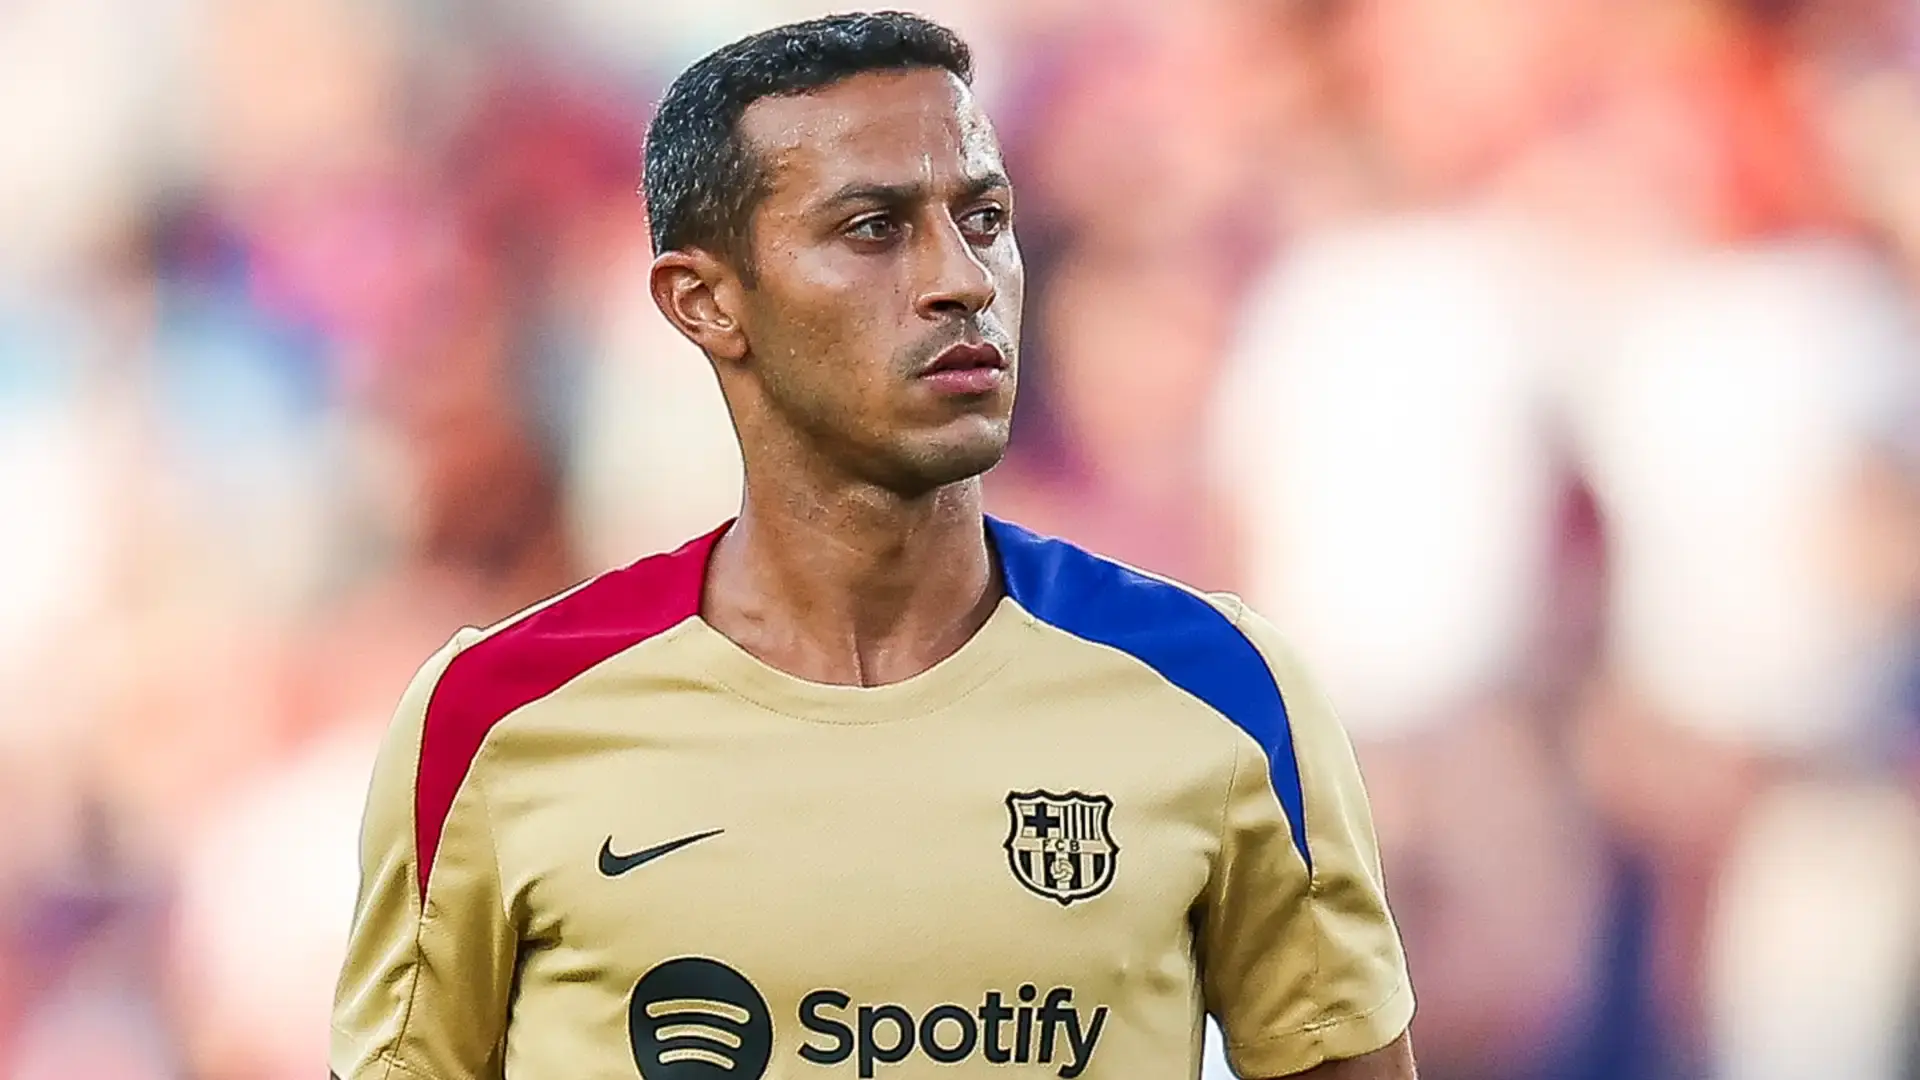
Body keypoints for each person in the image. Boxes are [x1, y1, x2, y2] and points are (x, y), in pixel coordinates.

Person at [328, 12, 1415, 1080]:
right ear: (705, 302)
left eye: (983, 218)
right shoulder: (497, 717)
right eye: (874, 228)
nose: (963, 279)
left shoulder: (1218, 687)